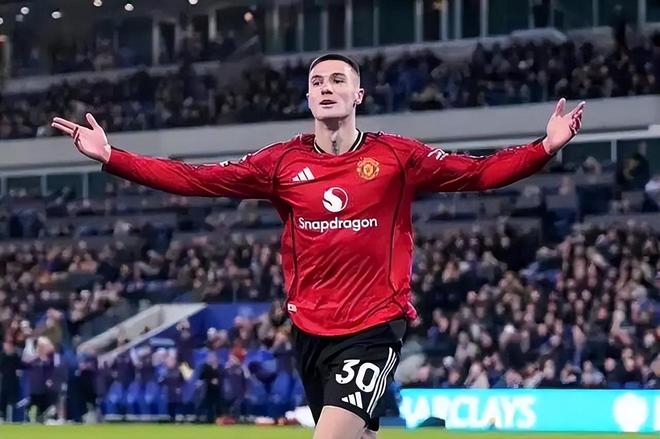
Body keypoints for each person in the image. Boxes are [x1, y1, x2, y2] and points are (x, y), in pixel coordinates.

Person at [51, 53, 584, 439]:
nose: (326, 87)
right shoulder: (281, 162)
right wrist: (113, 157)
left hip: (374, 325)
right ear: (308, 98)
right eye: (316, 82)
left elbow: (479, 173)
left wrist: (544, 147)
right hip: (310, 329)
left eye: (337, 80)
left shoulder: (397, 157)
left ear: (358, 96)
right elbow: (197, 179)